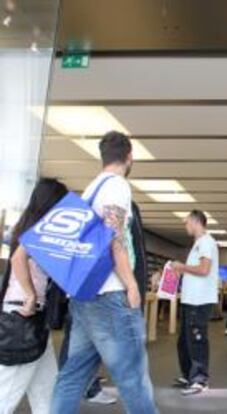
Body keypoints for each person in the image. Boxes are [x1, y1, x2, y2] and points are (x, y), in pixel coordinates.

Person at [51, 131, 158, 414]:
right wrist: (131, 284)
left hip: (85, 296)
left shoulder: (90, 189)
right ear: (129, 157)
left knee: (72, 375)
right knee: (132, 378)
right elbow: (115, 238)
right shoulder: (117, 186)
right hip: (111, 295)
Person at [0, 178, 68, 414]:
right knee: (5, 396)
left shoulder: (28, 225)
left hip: (32, 320)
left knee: (46, 393)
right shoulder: (42, 227)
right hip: (23, 316)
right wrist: (30, 294)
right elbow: (18, 259)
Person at [171, 210, 219, 396]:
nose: (186, 226)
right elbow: (196, 270)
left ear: (195, 221)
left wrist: (181, 267)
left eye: (186, 223)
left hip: (199, 300)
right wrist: (180, 271)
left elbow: (204, 269)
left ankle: (199, 380)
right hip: (190, 299)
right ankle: (188, 375)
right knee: (184, 341)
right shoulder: (197, 244)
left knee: (197, 339)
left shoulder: (206, 242)